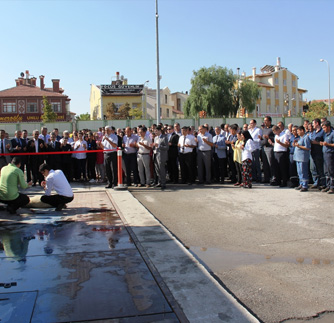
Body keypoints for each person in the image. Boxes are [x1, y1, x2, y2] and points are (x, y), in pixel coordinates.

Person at [293, 126, 311, 192]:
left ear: (302, 130)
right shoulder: (300, 138)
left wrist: (299, 146)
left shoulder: (306, 137)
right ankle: (301, 184)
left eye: (298, 131)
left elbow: (308, 147)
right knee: (299, 172)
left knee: (303, 172)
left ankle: (305, 185)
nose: (297, 132)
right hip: (298, 157)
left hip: (303, 158)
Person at [320, 121, 334, 194]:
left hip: (330, 154)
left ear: (328, 127)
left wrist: (327, 144)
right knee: (326, 171)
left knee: (331, 171)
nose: (323, 129)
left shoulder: (332, 133)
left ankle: (332, 187)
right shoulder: (326, 134)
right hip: (325, 154)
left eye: (324, 127)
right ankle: (328, 185)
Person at [153, 125, 169, 189]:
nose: (155, 132)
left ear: (160, 131)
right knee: (157, 170)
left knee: (162, 169)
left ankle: (163, 183)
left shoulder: (164, 137)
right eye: (155, 131)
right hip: (156, 154)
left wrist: (159, 146)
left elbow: (167, 147)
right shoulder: (155, 138)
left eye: (156, 131)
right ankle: (159, 182)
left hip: (162, 156)